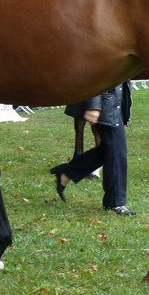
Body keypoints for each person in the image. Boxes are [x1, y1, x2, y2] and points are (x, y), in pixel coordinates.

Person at [49, 83, 133, 215]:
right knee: (117, 150)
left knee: (109, 148)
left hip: (112, 100)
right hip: (104, 101)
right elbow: (96, 74)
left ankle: (67, 172)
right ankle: (115, 203)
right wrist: (93, 105)